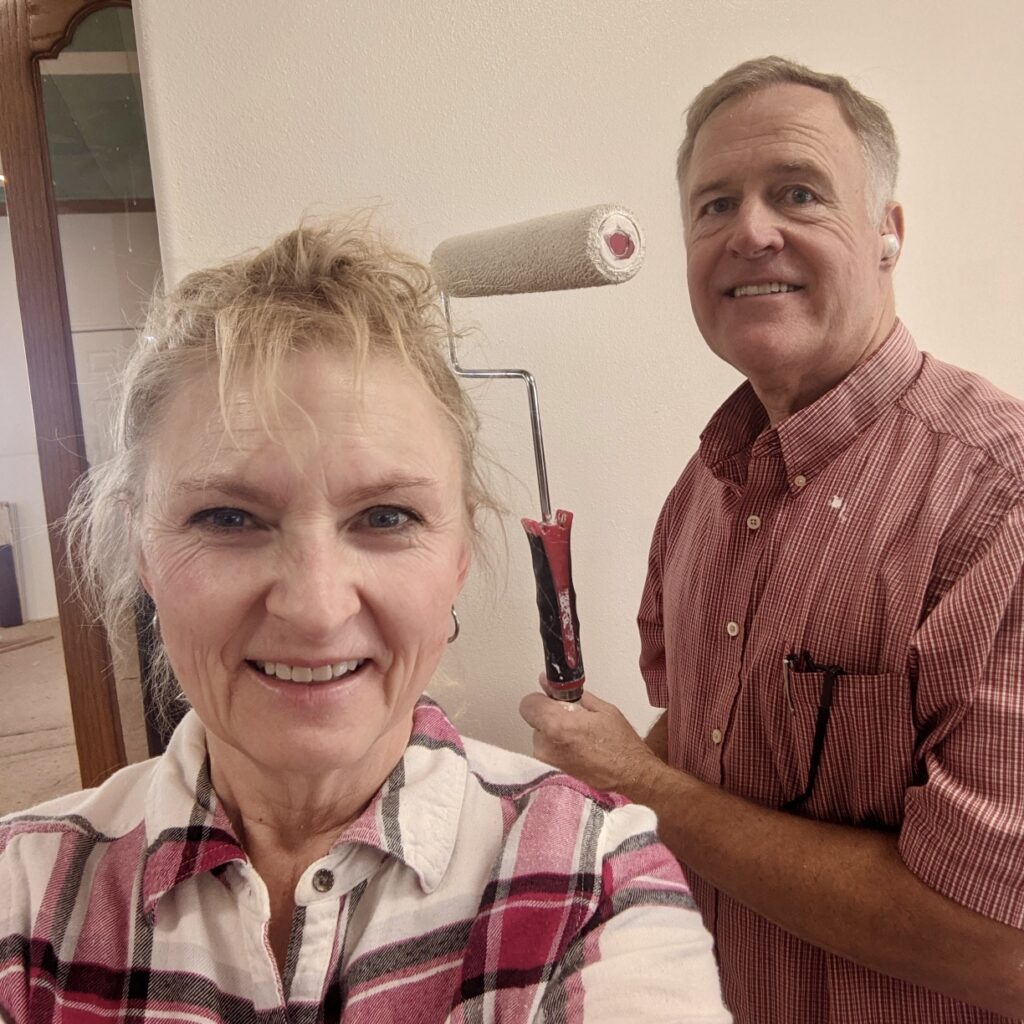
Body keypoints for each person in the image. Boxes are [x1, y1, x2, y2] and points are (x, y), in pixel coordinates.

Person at [0, 222, 731, 1023]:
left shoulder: (592, 884)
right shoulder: (21, 895)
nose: (316, 611)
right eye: (229, 518)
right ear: (143, 552)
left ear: (458, 557)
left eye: (385, 515)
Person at [521, 56, 1024, 1023]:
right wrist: (606, 801)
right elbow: (699, 745)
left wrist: (638, 782)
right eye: (714, 206)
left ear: (889, 233)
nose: (750, 231)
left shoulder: (996, 505)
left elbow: (1000, 946)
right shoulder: (704, 485)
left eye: (798, 192)